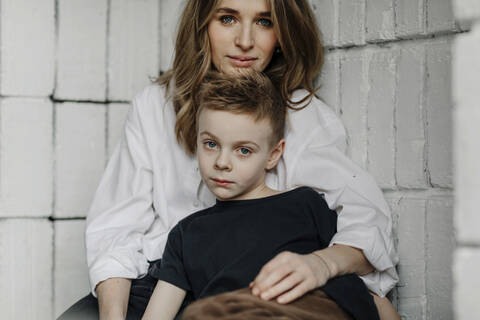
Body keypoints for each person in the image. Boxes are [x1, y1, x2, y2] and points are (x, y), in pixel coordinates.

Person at [58, 0, 398, 319]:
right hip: (159, 284)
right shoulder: (155, 106)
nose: (245, 41)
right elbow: (116, 229)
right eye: (228, 18)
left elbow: (363, 218)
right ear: (203, 24)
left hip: (254, 287)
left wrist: (322, 265)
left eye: (264, 22)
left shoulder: (298, 112)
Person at [141, 71, 382, 320]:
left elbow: (360, 278)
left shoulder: (304, 204)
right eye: (211, 144)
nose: (222, 162)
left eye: (243, 150)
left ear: (273, 154)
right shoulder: (186, 234)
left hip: (305, 308)